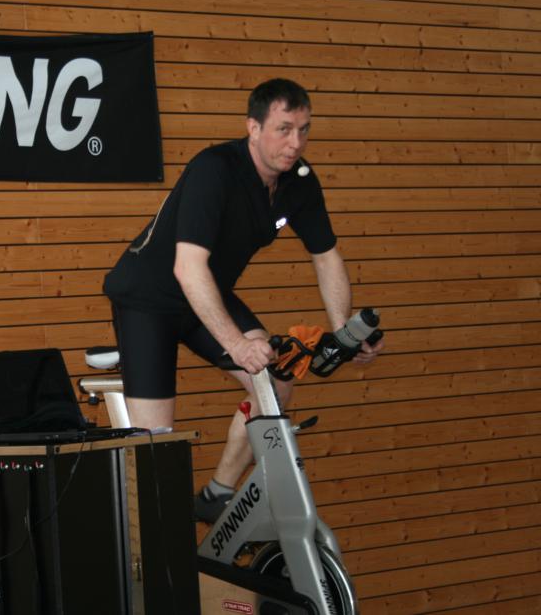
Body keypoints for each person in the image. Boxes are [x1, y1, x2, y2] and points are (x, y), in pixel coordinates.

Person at [102, 78, 384, 523]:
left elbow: (326, 256)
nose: (295, 143)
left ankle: (216, 493)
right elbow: (187, 267)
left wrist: (345, 331)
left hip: (206, 293)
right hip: (148, 299)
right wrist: (236, 344)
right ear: (253, 128)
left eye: (304, 130)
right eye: (284, 129)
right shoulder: (214, 169)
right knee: (156, 445)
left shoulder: (298, 182)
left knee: (276, 380)